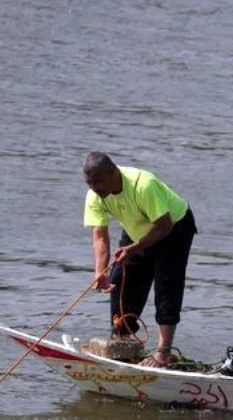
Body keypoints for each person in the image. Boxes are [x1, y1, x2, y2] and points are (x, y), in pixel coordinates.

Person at [82, 151, 198, 368]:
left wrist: (135, 248)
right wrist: (100, 272)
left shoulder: (144, 185)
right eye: (89, 183)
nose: (94, 189)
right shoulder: (95, 196)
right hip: (137, 229)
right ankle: (123, 344)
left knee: (166, 286)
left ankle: (163, 353)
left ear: (112, 173)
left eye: (98, 182)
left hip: (174, 227)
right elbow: (100, 236)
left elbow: (164, 226)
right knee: (121, 281)